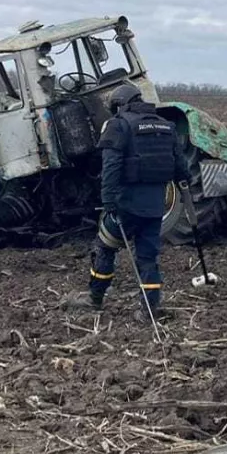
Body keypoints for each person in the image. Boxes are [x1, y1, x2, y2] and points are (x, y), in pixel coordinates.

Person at [65, 83, 187, 321]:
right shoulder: (167, 126)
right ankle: (149, 310)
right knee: (148, 257)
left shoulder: (118, 125)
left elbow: (110, 167)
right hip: (155, 207)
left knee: (104, 246)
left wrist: (108, 201)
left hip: (126, 206)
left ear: (120, 105)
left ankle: (94, 298)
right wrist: (184, 182)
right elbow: (180, 166)